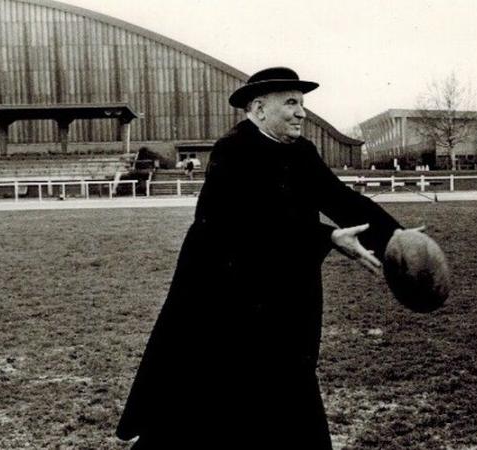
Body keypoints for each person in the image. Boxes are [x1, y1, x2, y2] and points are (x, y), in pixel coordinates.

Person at [116, 67, 405, 449]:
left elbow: (340, 198)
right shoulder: (233, 150)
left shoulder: (301, 152)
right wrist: (327, 237)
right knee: (201, 400)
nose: (302, 113)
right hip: (223, 301)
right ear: (258, 108)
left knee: (285, 386)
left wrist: (394, 236)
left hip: (284, 299)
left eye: (302, 103)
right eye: (291, 103)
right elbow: (246, 227)